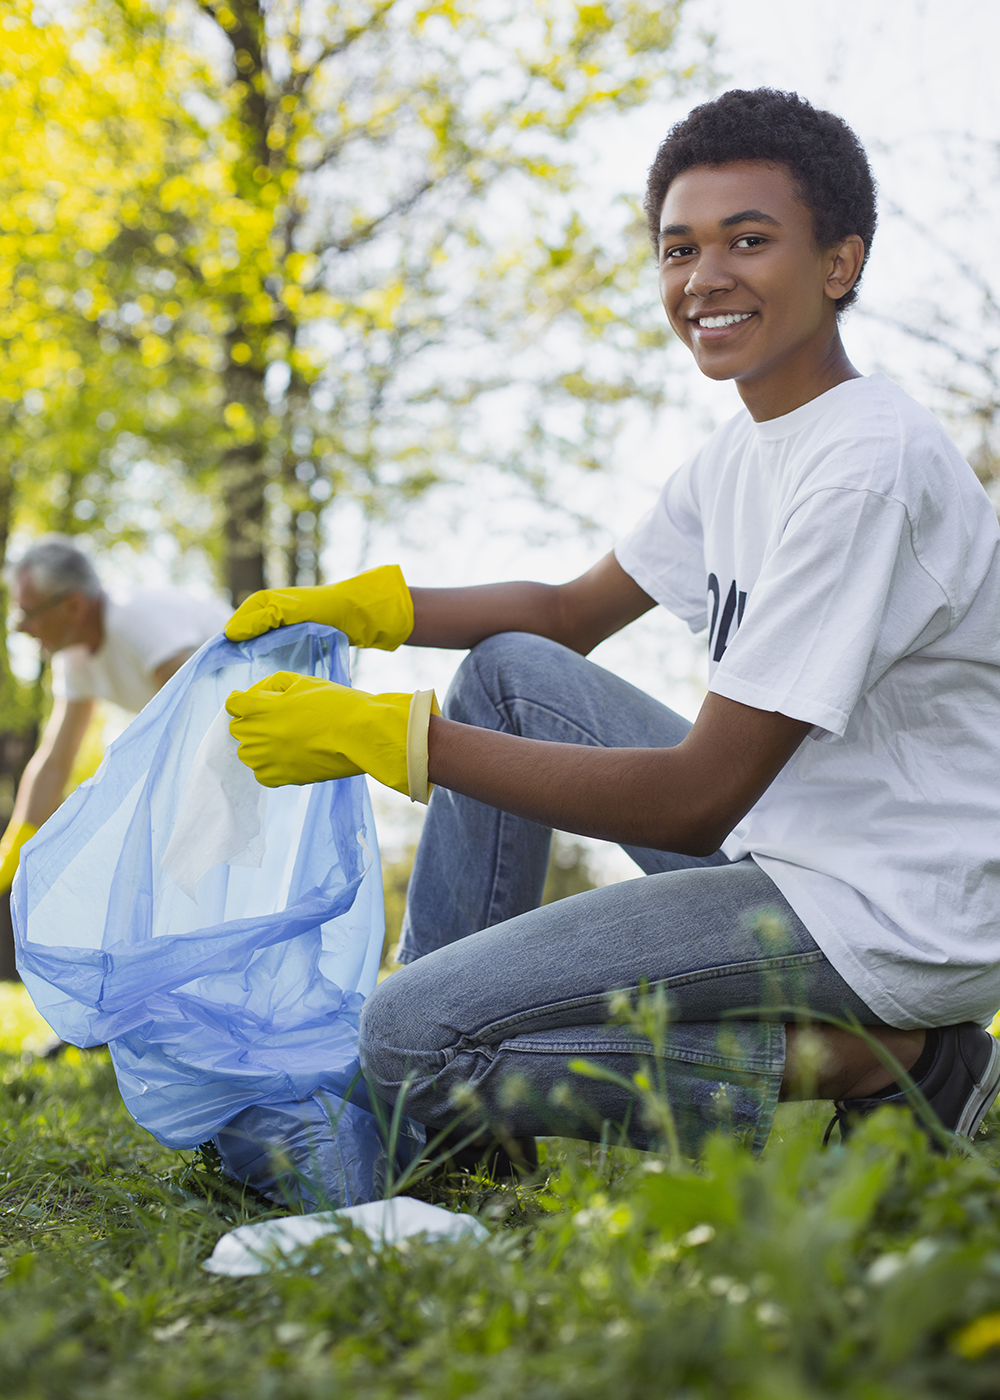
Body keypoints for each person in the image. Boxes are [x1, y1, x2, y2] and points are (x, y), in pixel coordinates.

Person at [224, 88, 1000, 1159]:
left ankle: (898, 1059)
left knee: (407, 1034)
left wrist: (396, 742)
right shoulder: (743, 449)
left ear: (838, 264)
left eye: (748, 240)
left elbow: (693, 797)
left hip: (892, 909)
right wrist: (371, 607)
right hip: (790, 852)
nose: (705, 276)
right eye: (679, 248)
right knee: (510, 669)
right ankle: (438, 1129)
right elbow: (566, 615)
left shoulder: (865, 467)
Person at [0, 537, 230, 902]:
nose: (20, 628)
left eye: (27, 613)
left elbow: (199, 716)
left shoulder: (133, 618)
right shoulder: (74, 657)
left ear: (72, 606)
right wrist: (15, 849)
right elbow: (54, 761)